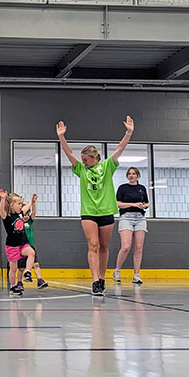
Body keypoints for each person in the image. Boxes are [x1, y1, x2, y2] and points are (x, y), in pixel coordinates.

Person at [57, 115, 134, 296]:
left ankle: (101, 277)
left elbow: (120, 149)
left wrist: (128, 133)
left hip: (106, 210)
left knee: (104, 247)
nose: (83, 162)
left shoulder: (107, 166)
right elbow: (69, 155)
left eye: (86, 159)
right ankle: (94, 281)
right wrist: (61, 137)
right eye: (82, 159)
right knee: (93, 244)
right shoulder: (81, 170)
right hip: (89, 212)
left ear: (94, 158)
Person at [112, 167, 149, 285]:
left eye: (134, 174)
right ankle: (117, 270)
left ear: (138, 176)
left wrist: (144, 206)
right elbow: (118, 203)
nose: (131, 176)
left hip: (140, 218)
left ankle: (136, 275)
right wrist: (132, 204)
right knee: (126, 246)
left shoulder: (142, 188)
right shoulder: (123, 188)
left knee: (139, 247)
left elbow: (147, 202)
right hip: (126, 217)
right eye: (129, 174)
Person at [0, 189, 36, 296]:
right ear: (11, 205)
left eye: (21, 203)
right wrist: (2, 199)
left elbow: (27, 206)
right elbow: (1, 211)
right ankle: (13, 286)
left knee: (31, 253)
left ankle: (27, 272)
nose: (20, 205)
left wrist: (32, 202)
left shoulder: (21, 214)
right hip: (12, 246)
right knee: (13, 268)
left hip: (23, 243)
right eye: (18, 204)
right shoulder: (8, 217)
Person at [17, 194, 48, 289]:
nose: (26, 216)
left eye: (27, 214)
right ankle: (19, 282)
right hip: (22, 247)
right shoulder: (19, 222)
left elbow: (34, 212)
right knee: (21, 268)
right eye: (24, 215)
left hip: (31, 246)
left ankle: (39, 280)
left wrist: (33, 203)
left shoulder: (29, 221)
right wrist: (21, 203)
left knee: (36, 264)